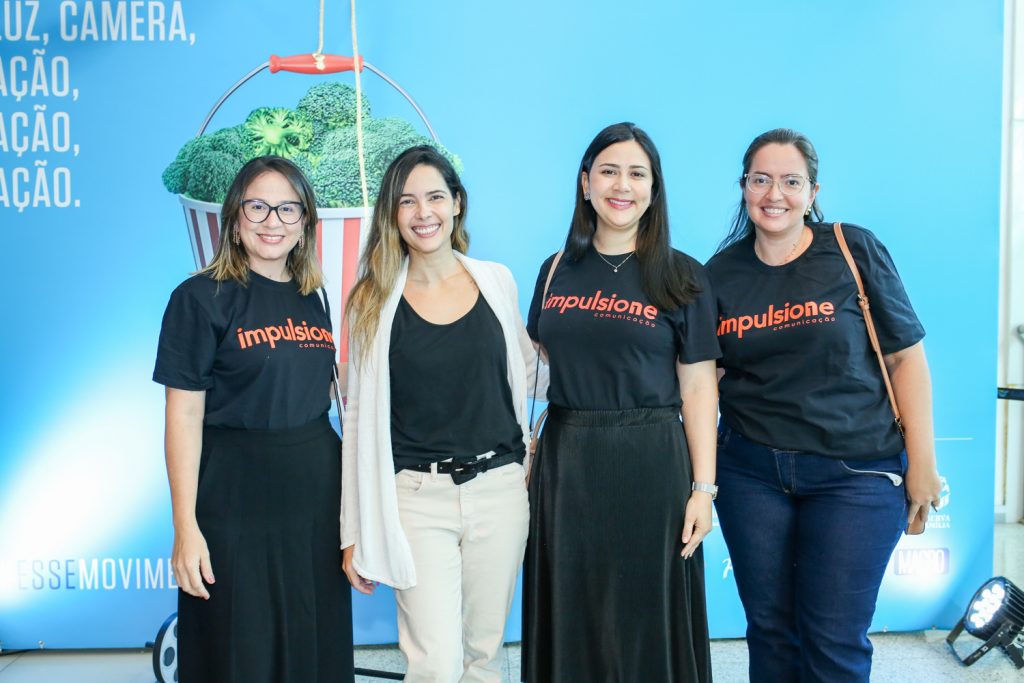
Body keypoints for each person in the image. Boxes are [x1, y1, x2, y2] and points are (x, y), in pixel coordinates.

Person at [705, 128, 943, 683]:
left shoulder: (851, 249)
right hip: (751, 475)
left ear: (813, 192)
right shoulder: (720, 274)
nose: (774, 194)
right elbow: (706, 379)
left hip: (855, 472)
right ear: (743, 187)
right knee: (770, 630)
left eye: (791, 181)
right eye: (761, 180)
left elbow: (907, 359)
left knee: (833, 639)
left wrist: (923, 466)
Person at [523, 122, 719, 682]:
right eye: (609, 171)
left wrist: (703, 489)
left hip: (651, 460)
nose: (622, 185)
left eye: (638, 174)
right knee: (572, 608)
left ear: (653, 189)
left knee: (645, 615)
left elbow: (700, 389)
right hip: (568, 463)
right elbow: (534, 366)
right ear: (585, 183)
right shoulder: (555, 270)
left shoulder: (683, 276)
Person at [340, 145, 540, 683]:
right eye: (407, 202)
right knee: (435, 664)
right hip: (415, 501)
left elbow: (530, 370)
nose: (423, 213)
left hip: (499, 491)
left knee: (483, 656)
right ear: (392, 214)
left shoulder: (496, 280)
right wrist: (352, 529)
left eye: (434, 197)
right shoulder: (371, 300)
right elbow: (355, 418)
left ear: (457, 204)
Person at [153, 156, 354, 683]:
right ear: (234, 220)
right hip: (232, 497)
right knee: (235, 647)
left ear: (306, 223)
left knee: (313, 643)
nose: (273, 221)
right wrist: (185, 526)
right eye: (258, 206)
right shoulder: (197, 299)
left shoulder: (316, 297)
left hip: (314, 499)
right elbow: (183, 418)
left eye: (288, 209)